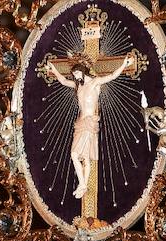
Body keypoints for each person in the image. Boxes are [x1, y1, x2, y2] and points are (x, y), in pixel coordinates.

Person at [47, 54, 135, 200]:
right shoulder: (78, 86)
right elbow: (63, 81)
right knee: (84, 158)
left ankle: (82, 185)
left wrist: (124, 64)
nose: (75, 76)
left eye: (76, 73)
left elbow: (112, 76)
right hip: (81, 123)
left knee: (76, 155)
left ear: (82, 70)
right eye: (73, 74)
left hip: (90, 122)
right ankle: (83, 185)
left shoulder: (95, 83)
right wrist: (54, 69)